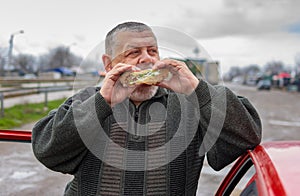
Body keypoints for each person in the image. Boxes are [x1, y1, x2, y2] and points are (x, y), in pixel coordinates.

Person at [32, 21, 262, 196]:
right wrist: (103, 102)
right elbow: (47, 150)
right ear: (108, 63)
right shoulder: (87, 102)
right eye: (134, 53)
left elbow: (245, 136)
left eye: (153, 51)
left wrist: (196, 89)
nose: (147, 59)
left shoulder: (190, 104)